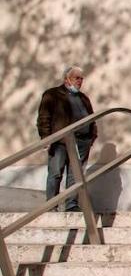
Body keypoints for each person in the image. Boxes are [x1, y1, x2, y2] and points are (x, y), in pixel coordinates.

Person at [36, 66, 96, 212]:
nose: (80, 81)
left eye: (82, 78)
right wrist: (46, 138)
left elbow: (91, 118)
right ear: (66, 79)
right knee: (56, 172)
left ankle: (72, 205)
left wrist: (92, 136)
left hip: (81, 142)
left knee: (75, 175)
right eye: (77, 78)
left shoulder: (83, 98)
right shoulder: (52, 95)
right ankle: (51, 205)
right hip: (60, 142)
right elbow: (44, 118)